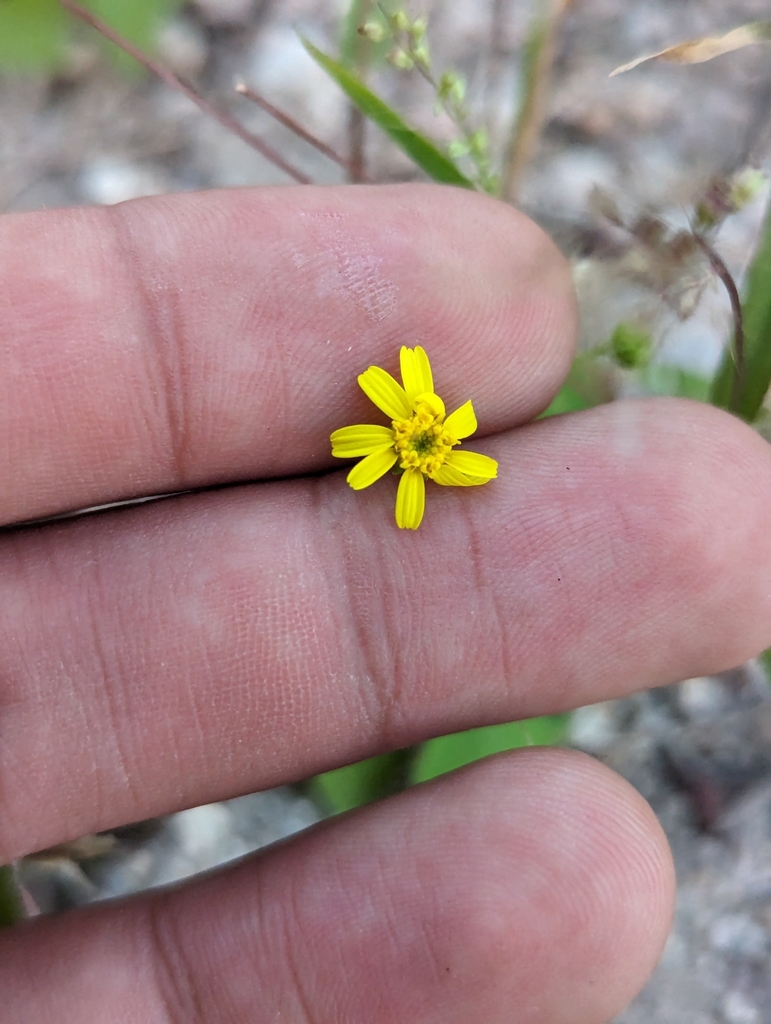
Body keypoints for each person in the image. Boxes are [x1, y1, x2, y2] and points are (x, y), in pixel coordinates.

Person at [1, 183, 769, 1024]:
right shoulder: (389, 437)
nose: (433, 439)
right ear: (415, 432)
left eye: (434, 436)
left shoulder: (428, 456)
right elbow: (387, 449)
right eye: (427, 435)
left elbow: (445, 461)